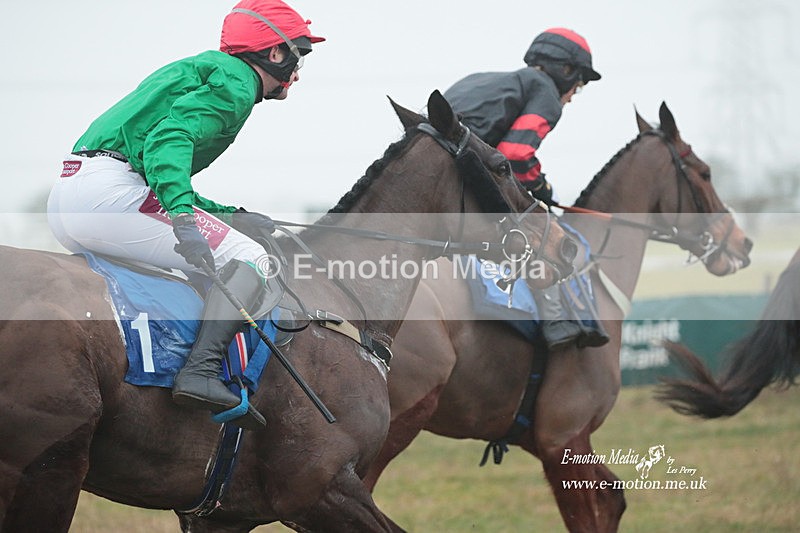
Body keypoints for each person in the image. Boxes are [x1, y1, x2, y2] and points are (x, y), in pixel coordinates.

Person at [46, 0, 324, 429]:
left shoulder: (211, 70)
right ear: (275, 53)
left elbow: (156, 162)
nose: (298, 73)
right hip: (108, 195)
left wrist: (228, 215)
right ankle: (201, 372)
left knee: (231, 244)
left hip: (73, 194)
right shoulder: (236, 83)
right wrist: (183, 216)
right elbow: (166, 143)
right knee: (252, 260)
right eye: (298, 57)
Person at [443, 27, 609, 351]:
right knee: (545, 229)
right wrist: (542, 189)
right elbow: (517, 155)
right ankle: (557, 321)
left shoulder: (486, 79)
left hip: (441, 169)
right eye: (579, 82)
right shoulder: (545, 93)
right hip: (467, 173)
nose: (576, 92)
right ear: (565, 71)